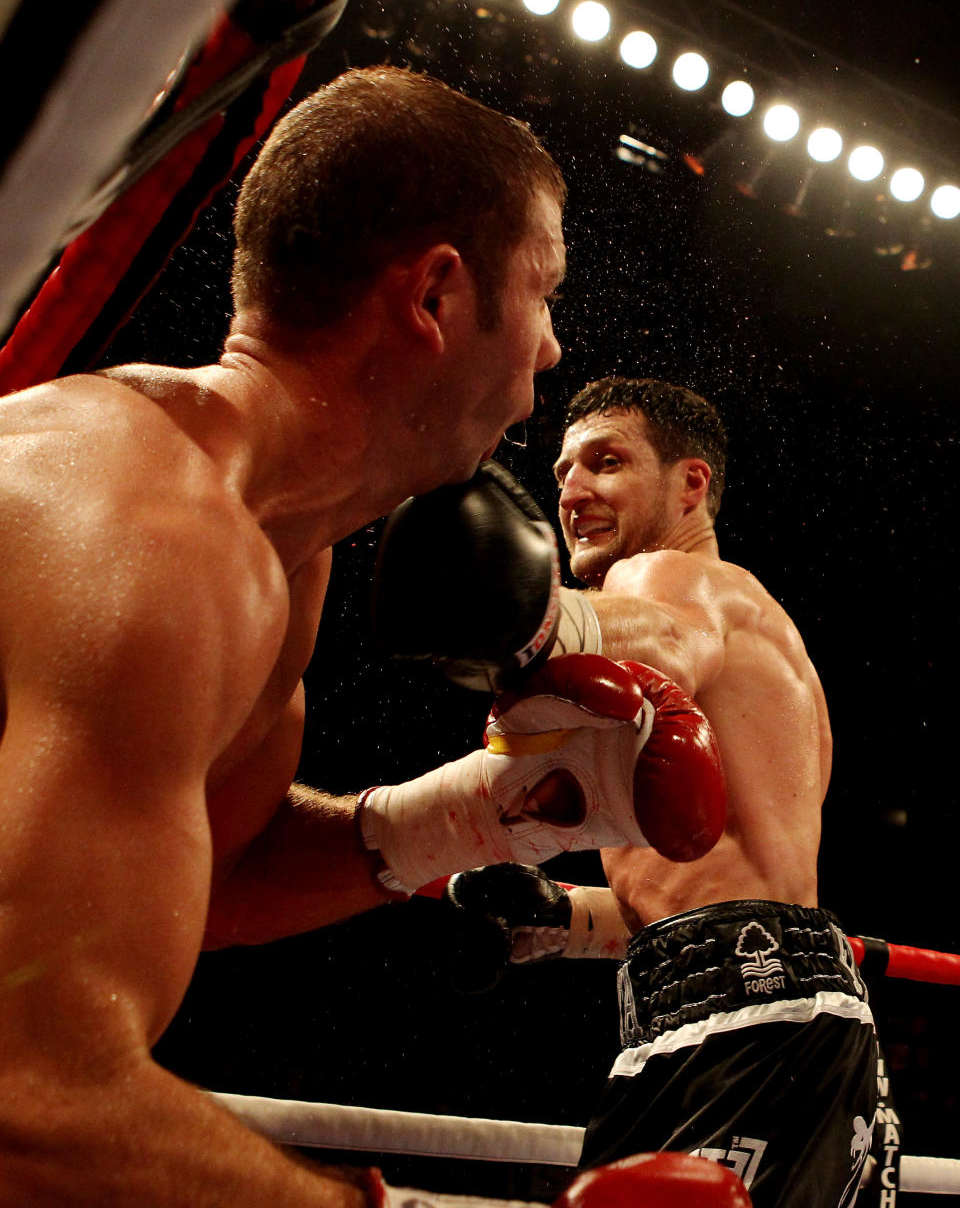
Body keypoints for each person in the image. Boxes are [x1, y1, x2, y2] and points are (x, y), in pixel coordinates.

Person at [0, 67, 727, 1205]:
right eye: (542, 293)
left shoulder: (279, 557)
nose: (547, 350)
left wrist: (480, 810)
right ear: (436, 295)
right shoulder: (154, 533)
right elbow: (22, 1094)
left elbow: (212, 876)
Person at [445, 377, 878, 1207]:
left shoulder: (668, 577)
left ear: (691, 482)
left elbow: (665, 646)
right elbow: (722, 890)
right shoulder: (759, 633)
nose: (573, 492)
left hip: (750, 1025)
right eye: (564, 471)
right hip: (751, 1010)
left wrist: (529, 618)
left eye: (607, 464)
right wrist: (562, 920)